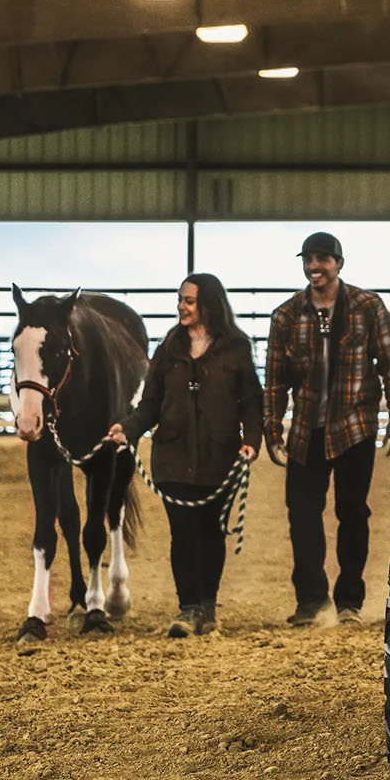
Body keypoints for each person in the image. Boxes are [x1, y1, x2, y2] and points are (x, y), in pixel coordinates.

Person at [265, 231, 390, 626]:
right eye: (309, 259)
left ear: (338, 264)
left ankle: (349, 602)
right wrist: (272, 429)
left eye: (323, 259)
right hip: (306, 428)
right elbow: (275, 378)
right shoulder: (286, 315)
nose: (315, 267)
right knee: (302, 513)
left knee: (353, 513)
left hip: (354, 426)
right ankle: (311, 601)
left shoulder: (367, 306)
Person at [107, 273, 262, 638]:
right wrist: (127, 429)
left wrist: (251, 440)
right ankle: (188, 608)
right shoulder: (169, 348)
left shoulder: (236, 347)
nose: (182, 306)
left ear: (208, 303)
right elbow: (150, 404)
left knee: (212, 532)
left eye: (189, 300)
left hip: (220, 458)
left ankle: (208, 605)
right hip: (173, 459)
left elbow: (251, 400)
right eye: (180, 299)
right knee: (183, 534)